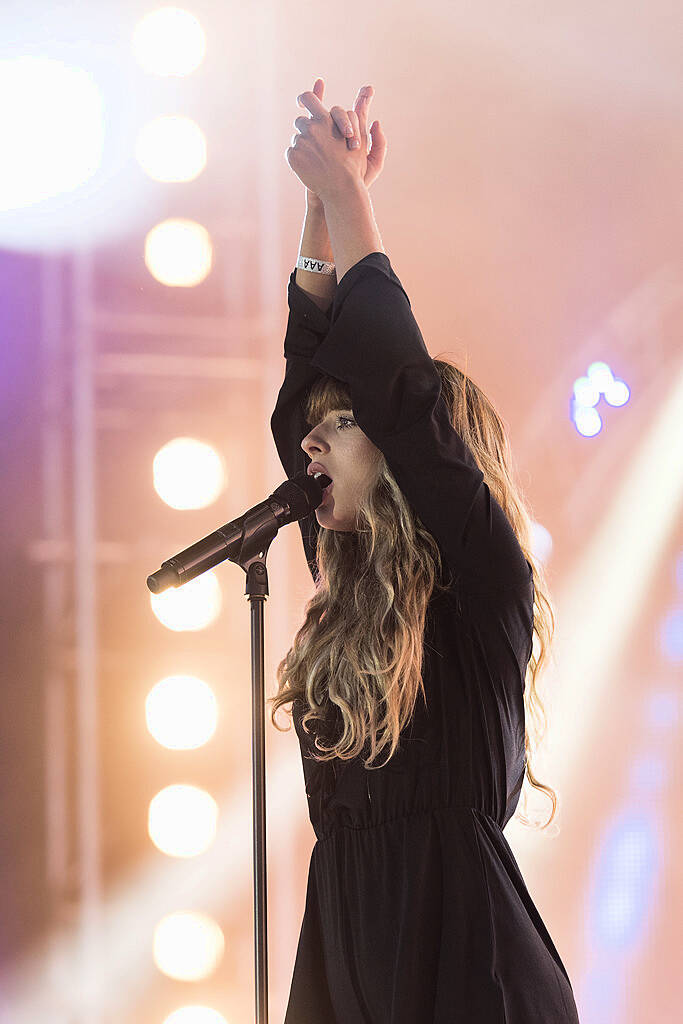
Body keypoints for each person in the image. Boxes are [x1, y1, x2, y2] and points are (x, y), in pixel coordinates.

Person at [269, 78, 581, 1023]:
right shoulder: (356, 592)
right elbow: (304, 398)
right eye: (316, 433)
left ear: (415, 458)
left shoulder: (484, 580)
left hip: (467, 972)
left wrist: (353, 201)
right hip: (349, 961)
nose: (310, 447)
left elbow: (398, 389)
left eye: (341, 425)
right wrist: (320, 209)